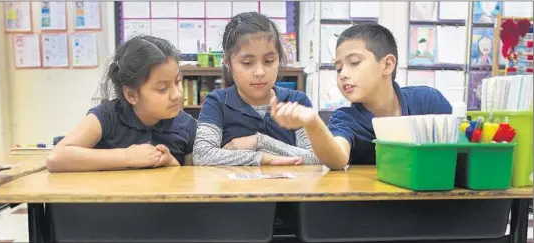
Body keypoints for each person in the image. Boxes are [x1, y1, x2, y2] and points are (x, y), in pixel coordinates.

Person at [269, 23, 452, 170]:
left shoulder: (428, 101)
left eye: (354, 63)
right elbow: (337, 160)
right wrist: (312, 122)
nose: (343, 74)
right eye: (338, 68)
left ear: (387, 65)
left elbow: (461, 151)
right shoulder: (346, 118)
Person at [46, 35, 196, 172]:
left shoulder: (187, 125)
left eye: (178, 81)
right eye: (162, 88)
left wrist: (171, 162)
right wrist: (127, 156)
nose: (177, 94)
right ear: (131, 95)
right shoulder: (107, 116)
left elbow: (192, 182)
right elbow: (56, 158)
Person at [192, 12, 320, 166]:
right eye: (247, 63)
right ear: (227, 61)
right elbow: (202, 155)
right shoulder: (217, 102)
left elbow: (315, 157)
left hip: (287, 189)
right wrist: (262, 158)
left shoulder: (296, 101)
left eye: (269, 61)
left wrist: (258, 141)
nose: (260, 72)